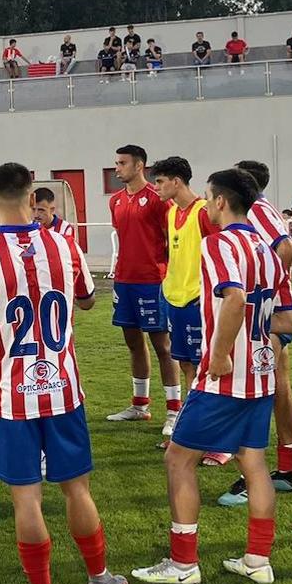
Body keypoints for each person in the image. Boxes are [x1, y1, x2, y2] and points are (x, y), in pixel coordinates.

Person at [0, 162, 127, 584]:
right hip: (63, 388)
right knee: (76, 487)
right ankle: (100, 577)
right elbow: (88, 299)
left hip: (12, 395)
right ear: (33, 198)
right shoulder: (64, 243)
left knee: (26, 499)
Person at [132, 168, 292, 584]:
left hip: (225, 379)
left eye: (209, 197)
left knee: (178, 458)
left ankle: (184, 564)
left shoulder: (219, 243)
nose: (206, 204)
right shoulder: (266, 248)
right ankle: (257, 560)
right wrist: (262, 340)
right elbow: (290, 317)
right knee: (254, 462)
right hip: (260, 376)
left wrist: (222, 354)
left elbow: (236, 298)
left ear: (221, 201)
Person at [218, 160, 292, 499]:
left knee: (253, 389)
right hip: (272, 312)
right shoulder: (258, 210)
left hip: (269, 315)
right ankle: (288, 467)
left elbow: (286, 247)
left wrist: (267, 291)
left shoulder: (257, 209)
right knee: (277, 385)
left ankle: (255, 476)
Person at [106, 145, 180, 427]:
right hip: (124, 281)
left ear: (139, 166)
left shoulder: (158, 199)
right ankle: (140, 405)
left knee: (163, 345)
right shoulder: (115, 201)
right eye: (116, 163)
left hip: (153, 282)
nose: (117, 168)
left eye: (122, 163)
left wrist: (170, 277)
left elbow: (171, 239)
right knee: (133, 342)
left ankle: (174, 411)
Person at [148, 157, 218, 449]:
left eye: (161, 182)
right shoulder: (171, 212)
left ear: (177, 182)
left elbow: (218, 254)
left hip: (196, 300)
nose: (157, 188)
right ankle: (192, 432)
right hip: (174, 298)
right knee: (187, 365)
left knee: (203, 368)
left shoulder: (203, 212)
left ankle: (208, 436)